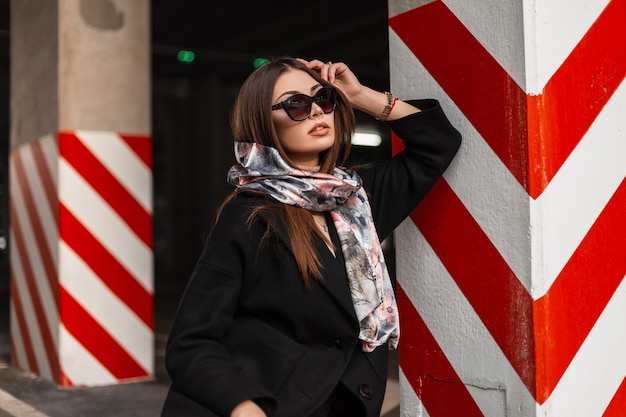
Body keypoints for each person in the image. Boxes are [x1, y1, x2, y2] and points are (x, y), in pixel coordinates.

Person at [161, 57, 461, 417]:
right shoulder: (249, 214)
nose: (317, 111)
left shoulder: (357, 201)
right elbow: (191, 341)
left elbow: (438, 143)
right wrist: (244, 408)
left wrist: (360, 95)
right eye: (296, 104)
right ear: (263, 122)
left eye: (324, 98)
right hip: (268, 403)